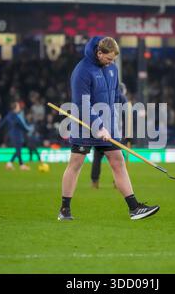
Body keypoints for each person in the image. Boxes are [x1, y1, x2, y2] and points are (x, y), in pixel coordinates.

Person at [58, 36, 159, 221]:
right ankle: (64, 210)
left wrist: (128, 106)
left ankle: (134, 208)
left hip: (108, 126)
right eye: (108, 59)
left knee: (118, 161)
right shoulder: (82, 71)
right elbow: (82, 104)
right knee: (76, 164)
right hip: (84, 125)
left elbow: (115, 93)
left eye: (113, 60)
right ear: (99, 53)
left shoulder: (111, 67)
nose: (111, 63)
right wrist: (98, 127)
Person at [90, 81, 128, 189]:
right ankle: (118, 182)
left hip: (100, 131)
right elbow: (127, 116)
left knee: (97, 157)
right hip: (114, 133)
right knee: (119, 159)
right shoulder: (122, 98)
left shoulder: (104, 96)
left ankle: (94, 182)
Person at [0, 101, 32, 170]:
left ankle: (10, 164)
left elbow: (2, 123)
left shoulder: (9, 115)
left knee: (18, 150)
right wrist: (28, 130)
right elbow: (22, 126)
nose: (19, 108)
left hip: (12, 135)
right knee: (18, 150)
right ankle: (21, 165)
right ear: (15, 108)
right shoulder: (16, 116)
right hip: (17, 135)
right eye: (18, 106)